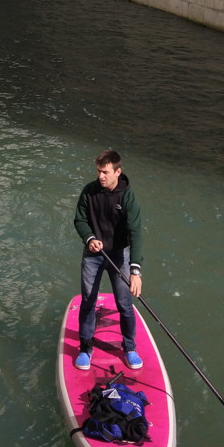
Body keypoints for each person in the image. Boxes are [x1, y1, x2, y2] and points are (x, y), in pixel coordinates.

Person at [73, 149, 143, 371]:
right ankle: (85, 348)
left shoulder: (128, 198)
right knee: (88, 301)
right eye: (98, 171)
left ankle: (130, 348)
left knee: (125, 304)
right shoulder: (89, 191)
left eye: (105, 172)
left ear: (117, 172)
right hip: (93, 254)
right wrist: (89, 238)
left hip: (119, 255)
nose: (100, 176)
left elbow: (136, 234)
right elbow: (80, 219)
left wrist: (135, 271)